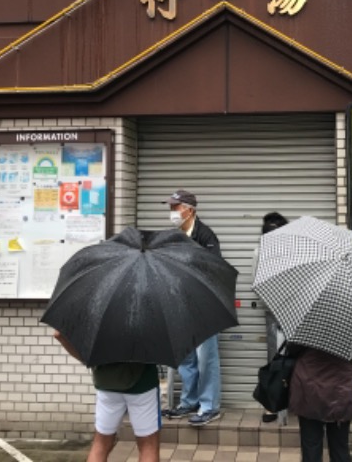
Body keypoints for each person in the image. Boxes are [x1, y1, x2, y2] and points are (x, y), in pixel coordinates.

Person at [161, 189, 224, 426]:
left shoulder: (206, 236)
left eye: (176, 208)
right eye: (171, 208)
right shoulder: (174, 236)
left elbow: (214, 270)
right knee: (186, 358)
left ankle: (209, 406)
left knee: (206, 357)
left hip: (204, 307)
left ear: (190, 210)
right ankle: (188, 402)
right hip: (180, 305)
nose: (172, 212)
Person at [53, 331, 160, 462]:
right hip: (142, 384)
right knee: (148, 446)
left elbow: (59, 334)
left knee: (101, 444)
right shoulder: (144, 312)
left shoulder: (96, 312)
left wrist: (88, 360)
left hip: (106, 384)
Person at [287, 343, 352, 462]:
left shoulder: (305, 325)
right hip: (342, 390)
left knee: (311, 447)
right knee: (340, 448)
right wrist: (348, 363)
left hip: (309, 389)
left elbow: (292, 350)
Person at [252, 211, 289, 423]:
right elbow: (255, 283)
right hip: (273, 312)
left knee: (296, 359)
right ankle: (272, 405)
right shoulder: (259, 253)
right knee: (275, 359)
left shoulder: (296, 251)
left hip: (297, 311)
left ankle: (294, 401)